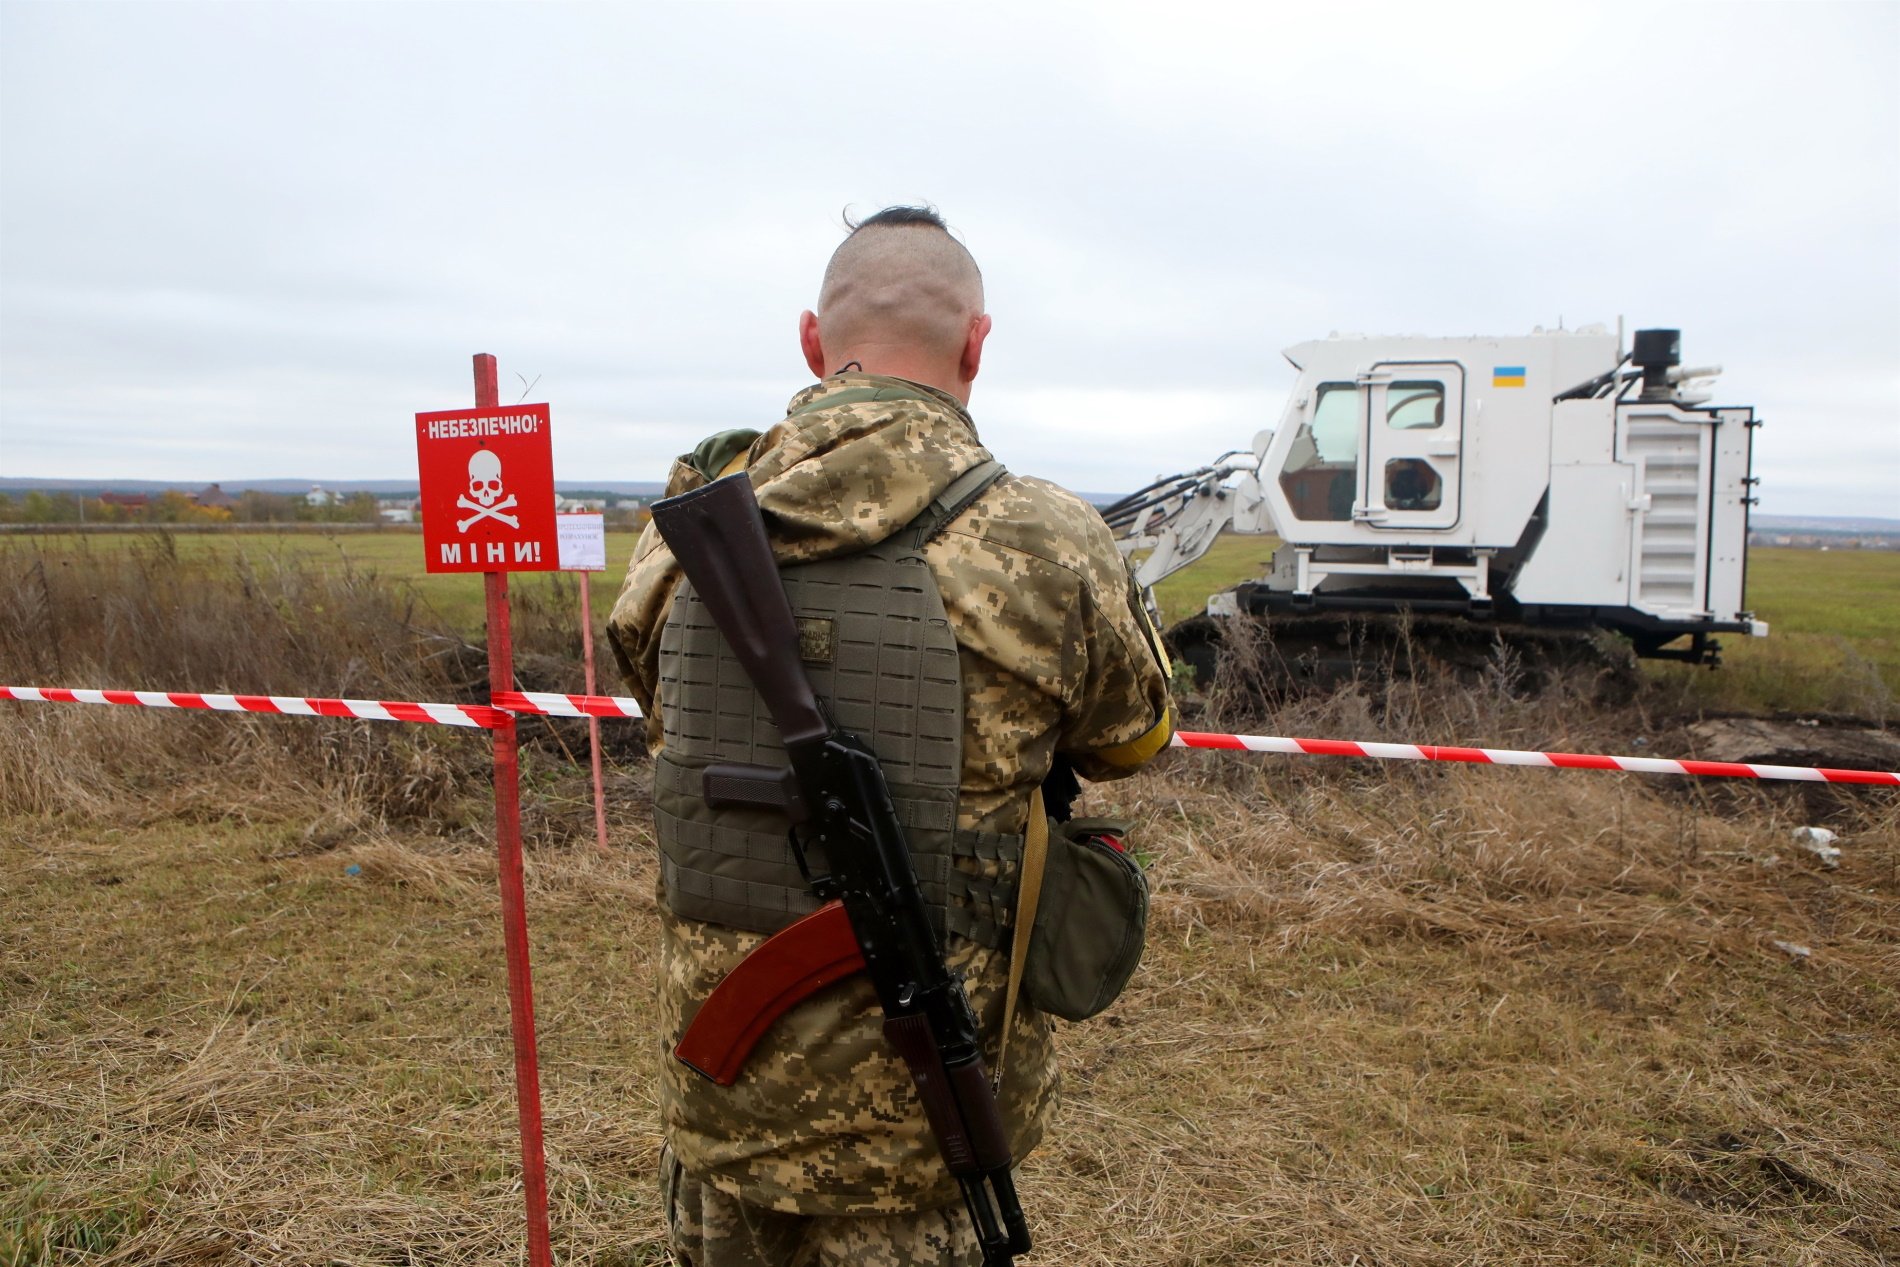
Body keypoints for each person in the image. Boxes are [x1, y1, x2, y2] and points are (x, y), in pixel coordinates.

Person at [607, 205, 1173, 1266]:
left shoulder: (679, 534)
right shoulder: (1047, 541)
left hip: (726, 1110)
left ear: (814, 343)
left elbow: (653, 694)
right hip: (913, 1145)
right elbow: (1132, 739)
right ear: (976, 344)